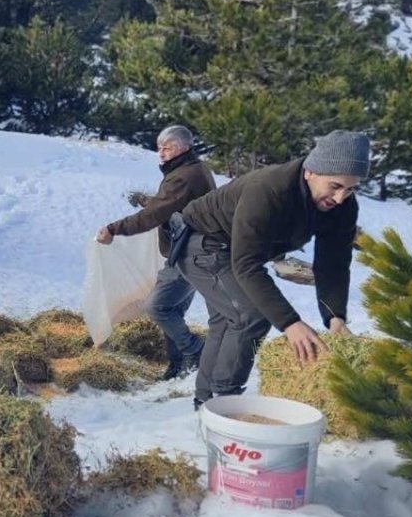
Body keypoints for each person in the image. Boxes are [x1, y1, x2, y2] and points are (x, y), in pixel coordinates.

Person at [171, 130, 368, 409]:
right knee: (250, 317)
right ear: (310, 171)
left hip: (237, 248)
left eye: (350, 189)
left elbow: (333, 264)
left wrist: (335, 317)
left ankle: (205, 400)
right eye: (335, 186)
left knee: (227, 322)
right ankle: (224, 401)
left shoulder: (343, 207)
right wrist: (290, 323)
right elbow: (246, 264)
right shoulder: (269, 189)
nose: (339, 198)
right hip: (203, 242)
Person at [97, 125, 216, 380]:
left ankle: (196, 351)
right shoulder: (191, 168)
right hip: (195, 250)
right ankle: (177, 366)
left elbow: (154, 215)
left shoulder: (183, 176)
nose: (161, 153)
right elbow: (168, 205)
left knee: (158, 307)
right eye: (159, 147)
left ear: (184, 147)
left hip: (188, 253)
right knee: (173, 311)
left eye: (167, 147)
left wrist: (114, 229)